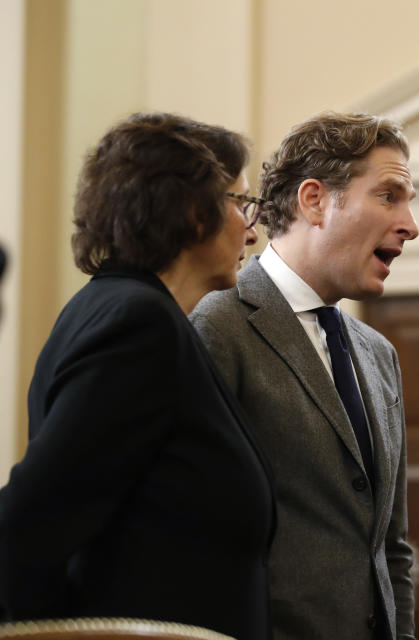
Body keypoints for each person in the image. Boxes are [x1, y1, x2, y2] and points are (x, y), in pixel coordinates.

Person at [0, 113, 275, 640]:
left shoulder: (118, 311)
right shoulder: (138, 324)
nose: (253, 226)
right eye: (242, 203)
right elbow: (28, 527)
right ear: (194, 212)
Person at [191, 112, 419, 640]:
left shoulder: (378, 353)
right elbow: (198, 533)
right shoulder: (216, 324)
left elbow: (391, 546)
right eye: (389, 196)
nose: (410, 224)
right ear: (314, 200)